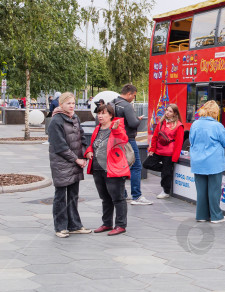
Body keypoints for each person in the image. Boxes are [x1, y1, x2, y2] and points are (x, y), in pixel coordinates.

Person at [46, 92, 92, 237]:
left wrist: (84, 155)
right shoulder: (56, 121)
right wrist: (76, 159)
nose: (71, 106)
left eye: (73, 103)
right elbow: (59, 146)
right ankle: (60, 227)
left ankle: (74, 225)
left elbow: (82, 138)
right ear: (61, 104)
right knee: (60, 196)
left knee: (73, 195)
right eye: (68, 103)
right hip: (62, 163)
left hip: (75, 162)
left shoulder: (76, 118)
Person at [84, 104, 129, 236]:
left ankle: (120, 225)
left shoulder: (116, 127)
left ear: (110, 115)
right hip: (98, 168)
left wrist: (115, 130)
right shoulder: (98, 128)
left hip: (113, 168)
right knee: (105, 198)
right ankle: (107, 223)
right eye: (99, 113)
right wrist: (88, 151)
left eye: (103, 113)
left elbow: (123, 140)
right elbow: (93, 144)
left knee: (118, 198)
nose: (100, 116)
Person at [189, 100, 225, 223]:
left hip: (197, 161)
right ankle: (216, 216)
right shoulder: (217, 126)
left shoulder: (195, 124)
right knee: (214, 190)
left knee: (201, 191)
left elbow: (192, 140)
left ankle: (201, 216)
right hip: (213, 162)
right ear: (215, 112)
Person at [111, 84, 150, 205]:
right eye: (133, 95)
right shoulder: (127, 106)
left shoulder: (113, 103)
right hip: (128, 139)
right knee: (136, 166)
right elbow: (133, 124)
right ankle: (136, 196)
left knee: (122, 166)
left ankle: (123, 194)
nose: (133, 97)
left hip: (116, 139)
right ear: (129, 94)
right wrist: (138, 119)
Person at [147, 103, 185, 199]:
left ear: (175, 113)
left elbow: (179, 143)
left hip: (169, 153)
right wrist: (152, 149)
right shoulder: (161, 122)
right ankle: (166, 169)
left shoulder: (179, 125)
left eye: (170, 111)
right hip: (158, 150)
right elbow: (155, 137)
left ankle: (166, 191)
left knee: (166, 174)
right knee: (147, 164)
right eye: (167, 110)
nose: (167, 112)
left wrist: (175, 157)